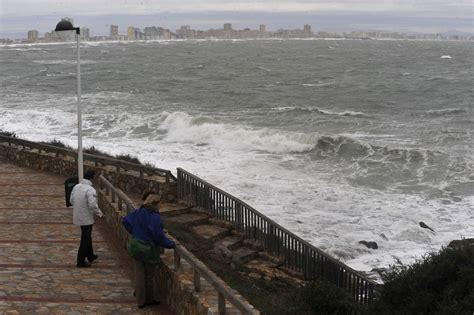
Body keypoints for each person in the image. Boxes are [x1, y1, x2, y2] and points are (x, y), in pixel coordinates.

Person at [122, 193, 175, 309]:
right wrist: (171, 244)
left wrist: (135, 232)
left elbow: (125, 221)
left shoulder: (139, 212)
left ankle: (140, 301)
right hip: (148, 249)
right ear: (156, 204)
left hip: (136, 246)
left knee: (139, 274)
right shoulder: (155, 217)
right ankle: (149, 299)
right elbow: (159, 236)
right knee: (149, 275)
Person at [70, 170, 104, 268]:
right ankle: (80, 261)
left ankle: (90, 256)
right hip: (86, 217)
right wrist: (100, 214)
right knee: (85, 238)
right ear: (92, 178)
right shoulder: (90, 189)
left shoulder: (76, 187)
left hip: (78, 216)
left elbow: (71, 200)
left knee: (87, 235)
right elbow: (92, 205)